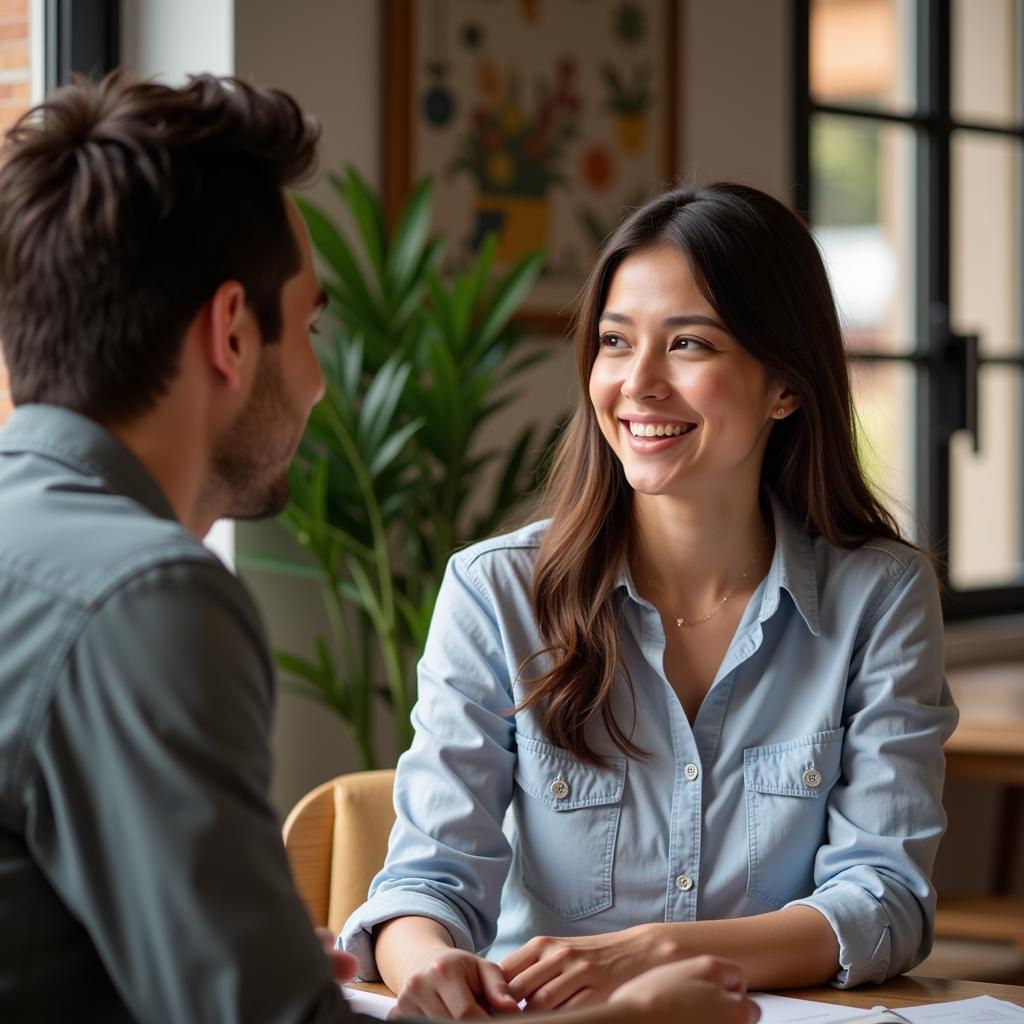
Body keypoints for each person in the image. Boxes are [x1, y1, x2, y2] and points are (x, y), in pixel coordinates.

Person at [0, 73, 758, 1024]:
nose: (320, 381)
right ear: (232, 333)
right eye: (310, 325)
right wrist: (634, 1021)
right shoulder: (146, 598)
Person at [341, 182, 960, 1017]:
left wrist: (654, 953)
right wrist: (430, 965)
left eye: (691, 345)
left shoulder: (880, 597)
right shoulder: (494, 593)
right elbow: (426, 884)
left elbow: (884, 899)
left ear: (786, 384)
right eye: (614, 341)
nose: (638, 383)